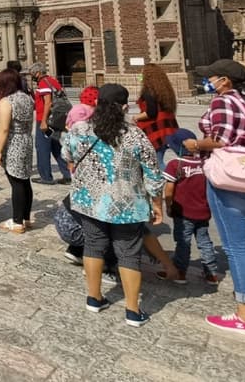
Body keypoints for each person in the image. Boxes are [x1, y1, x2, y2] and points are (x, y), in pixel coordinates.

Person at [188, 59, 245, 336]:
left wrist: (194, 144)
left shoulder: (223, 101)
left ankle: (244, 315)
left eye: (212, 77)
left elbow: (220, 140)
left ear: (225, 80)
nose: (209, 82)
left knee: (237, 247)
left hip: (232, 178)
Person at [62, 83, 162, 327]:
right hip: (126, 203)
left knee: (94, 245)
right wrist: (157, 202)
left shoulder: (80, 129)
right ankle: (132, 310)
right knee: (128, 253)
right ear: (125, 106)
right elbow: (152, 171)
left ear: (96, 104)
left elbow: (68, 156)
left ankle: (94, 298)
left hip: (90, 200)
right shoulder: (134, 133)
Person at [161, 129, 219, 284]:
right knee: (204, 241)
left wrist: (168, 205)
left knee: (183, 241)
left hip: (183, 212)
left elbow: (169, 188)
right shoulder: (204, 164)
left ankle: (180, 271)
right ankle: (211, 273)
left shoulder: (175, 165)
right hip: (203, 211)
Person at [0, 68, 35, 233]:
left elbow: (4, 129)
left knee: (16, 182)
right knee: (25, 180)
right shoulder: (27, 98)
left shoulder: (7, 101)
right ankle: (26, 218)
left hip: (14, 142)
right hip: (26, 140)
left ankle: (17, 222)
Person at [27, 62, 71, 185]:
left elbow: (48, 102)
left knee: (42, 147)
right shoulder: (53, 80)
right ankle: (67, 174)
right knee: (55, 147)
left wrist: (44, 121)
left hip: (45, 119)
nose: (32, 76)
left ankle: (46, 176)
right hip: (56, 119)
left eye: (32, 74)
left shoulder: (43, 83)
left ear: (38, 72)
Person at [133, 63, 179, 169]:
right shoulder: (164, 90)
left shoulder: (149, 91)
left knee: (158, 162)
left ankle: (168, 180)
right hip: (167, 126)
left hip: (155, 129)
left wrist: (136, 117)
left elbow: (151, 112)